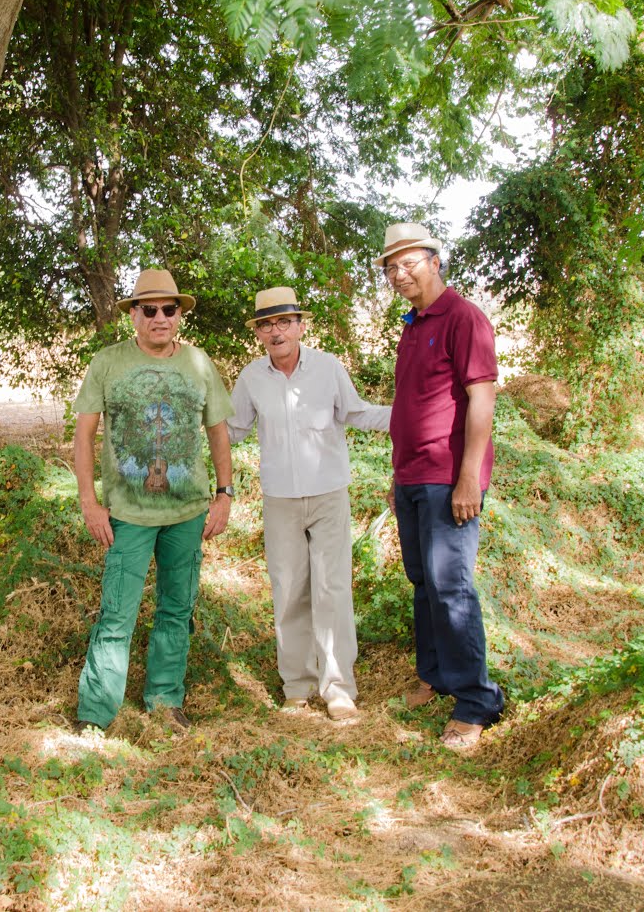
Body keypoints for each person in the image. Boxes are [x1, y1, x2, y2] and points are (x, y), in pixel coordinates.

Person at [73, 268, 235, 733]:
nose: (159, 317)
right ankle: (96, 714)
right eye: (149, 310)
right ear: (134, 316)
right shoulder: (107, 363)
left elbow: (218, 431)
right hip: (127, 514)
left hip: (187, 513)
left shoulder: (199, 364)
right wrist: (89, 501)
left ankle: (165, 702)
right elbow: (83, 435)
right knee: (117, 612)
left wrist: (224, 495)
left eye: (168, 309)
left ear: (180, 315)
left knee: (176, 608)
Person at [227, 287, 389, 721]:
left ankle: (338, 687)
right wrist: (187, 431)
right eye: (266, 324)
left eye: (284, 322)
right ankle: (296, 686)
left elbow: (355, 413)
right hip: (279, 499)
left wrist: (408, 415)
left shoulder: (327, 367)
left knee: (332, 587)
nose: (275, 331)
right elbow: (234, 428)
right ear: (258, 333)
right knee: (289, 588)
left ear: (301, 325)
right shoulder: (251, 378)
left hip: (328, 495)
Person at [376, 222, 505, 750]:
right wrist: (396, 473)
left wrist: (469, 476)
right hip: (411, 475)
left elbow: (481, 400)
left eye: (409, 262)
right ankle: (434, 676)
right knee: (422, 580)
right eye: (390, 267)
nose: (399, 273)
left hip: (448, 478)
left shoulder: (463, 317)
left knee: (451, 585)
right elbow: (412, 406)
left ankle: (476, 700)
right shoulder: (412, 325)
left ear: (435, 260)